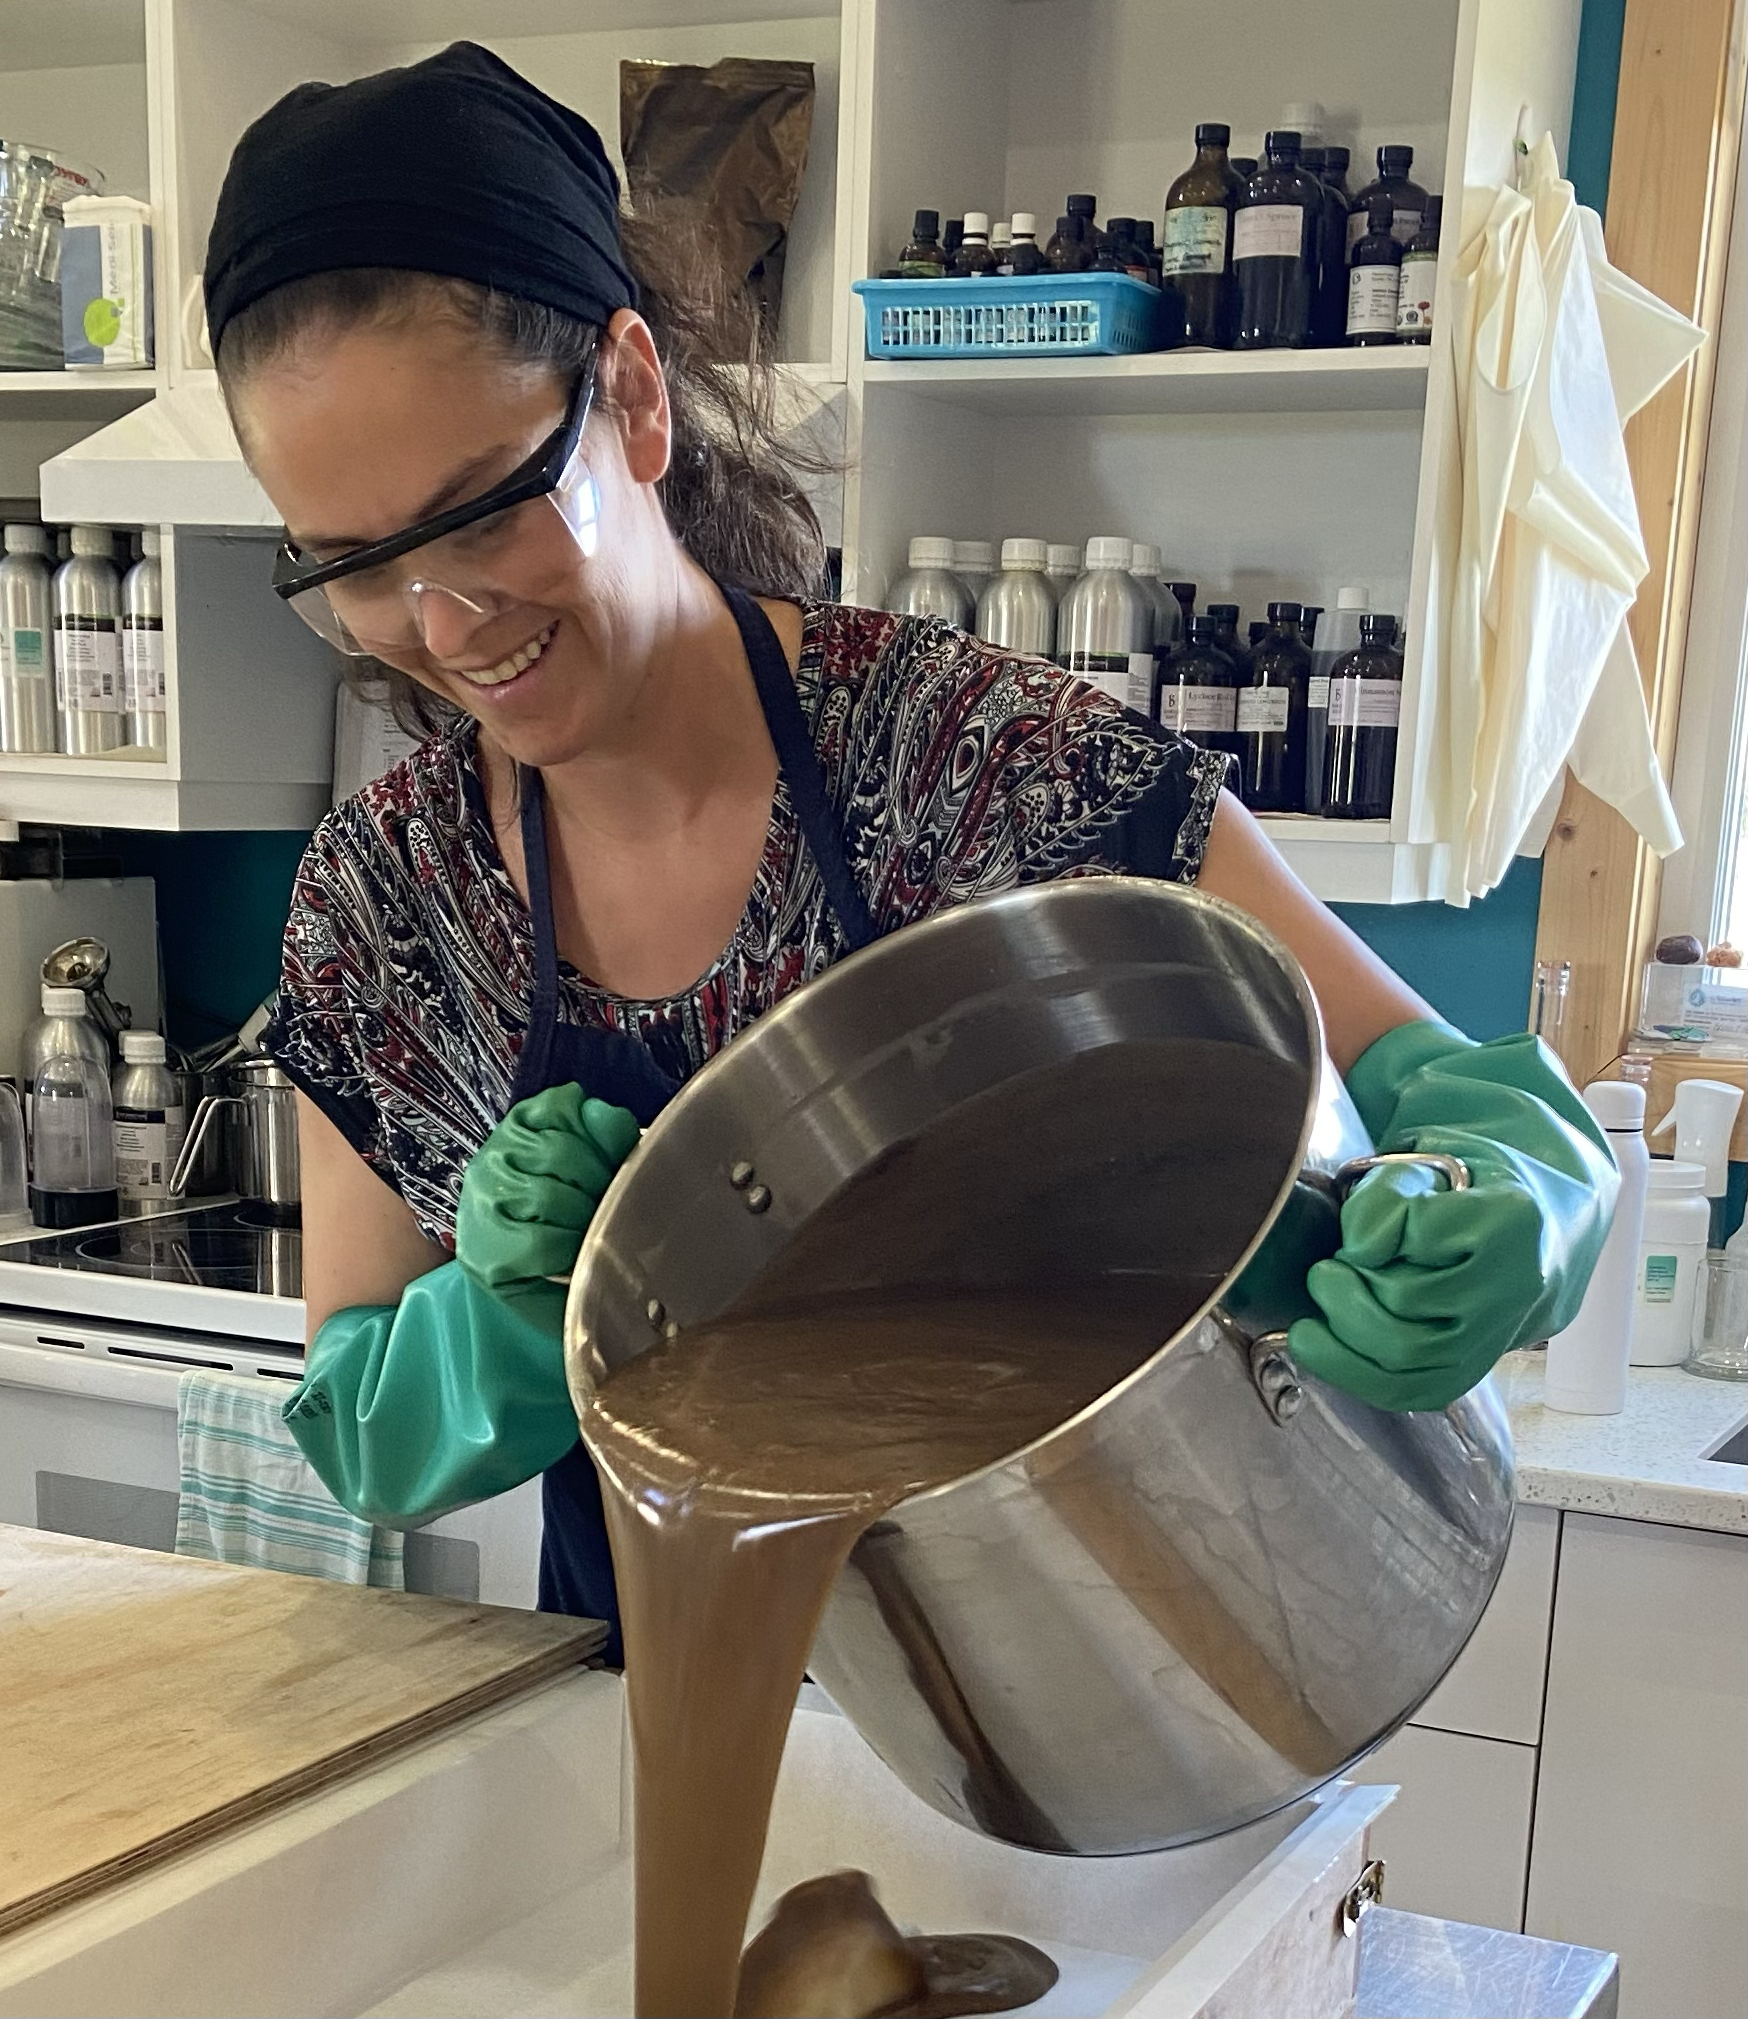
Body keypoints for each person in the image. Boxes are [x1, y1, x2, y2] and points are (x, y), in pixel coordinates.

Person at [204, 45, 1615, 1662]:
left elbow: (1431, 1084)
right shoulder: (393, 903)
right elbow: (364, 1427)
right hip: (658, 1708)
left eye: (488, 511)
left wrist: (1529, 1193)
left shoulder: (988, 765)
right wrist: (519, 1311)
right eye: (355, 565)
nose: (441, 627)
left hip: (1095, 1681)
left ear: (638, 395)